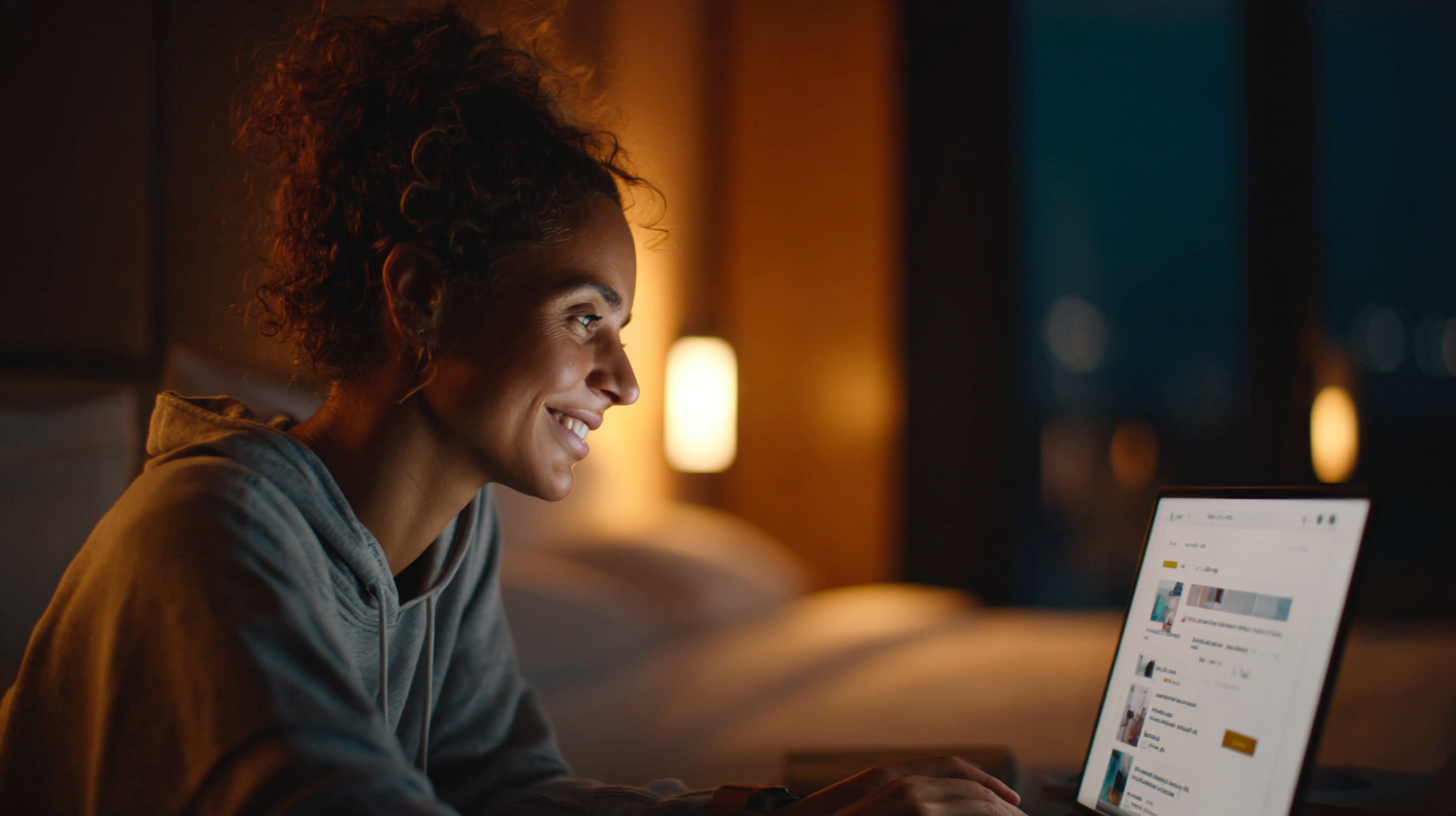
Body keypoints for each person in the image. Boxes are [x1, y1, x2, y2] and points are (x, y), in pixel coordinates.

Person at [0, 5, 1024, 816]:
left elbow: (502, 790)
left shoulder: (448, 540)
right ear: (419, 300)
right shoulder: (211, 535)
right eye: (585, 318)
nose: (623, 381)